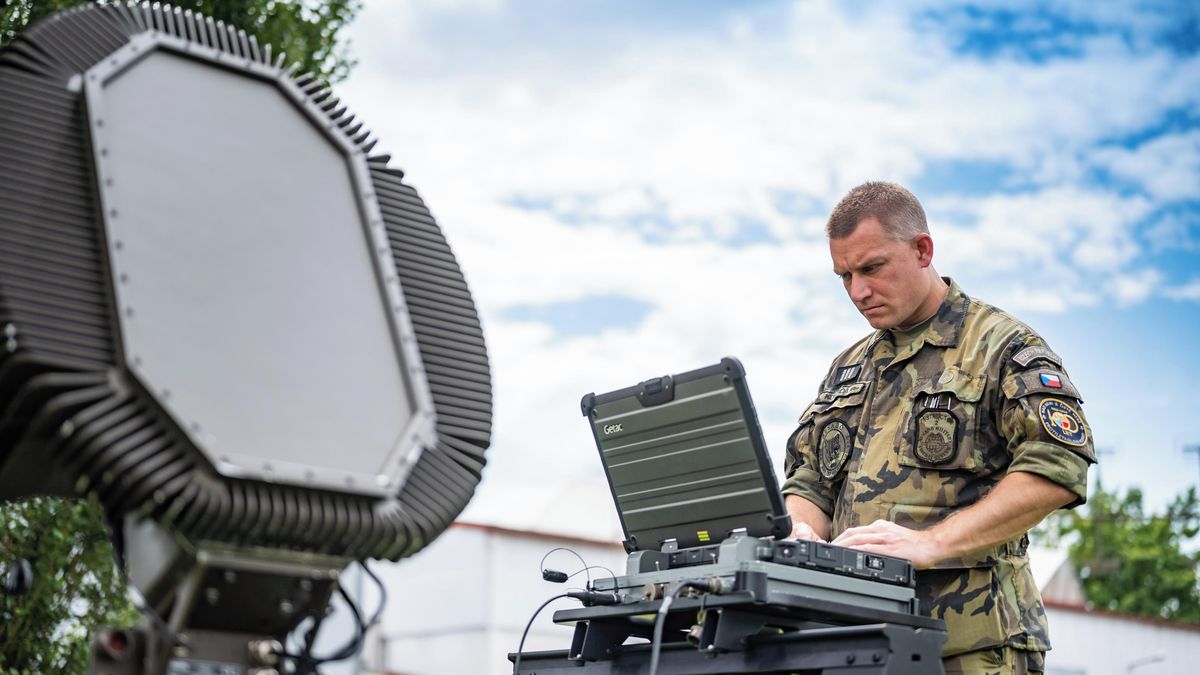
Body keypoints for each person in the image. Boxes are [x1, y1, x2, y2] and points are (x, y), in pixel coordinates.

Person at [781, 181, 1095, 674]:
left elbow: (1057, 466)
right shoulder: (848, 368)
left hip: (969, 645)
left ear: (923, 250)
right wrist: (800, 531)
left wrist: (932, 543)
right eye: (844, 276)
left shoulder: (999, 345)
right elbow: (809, 482)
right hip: (851, 641)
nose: (858, 291)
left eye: (871, 268)